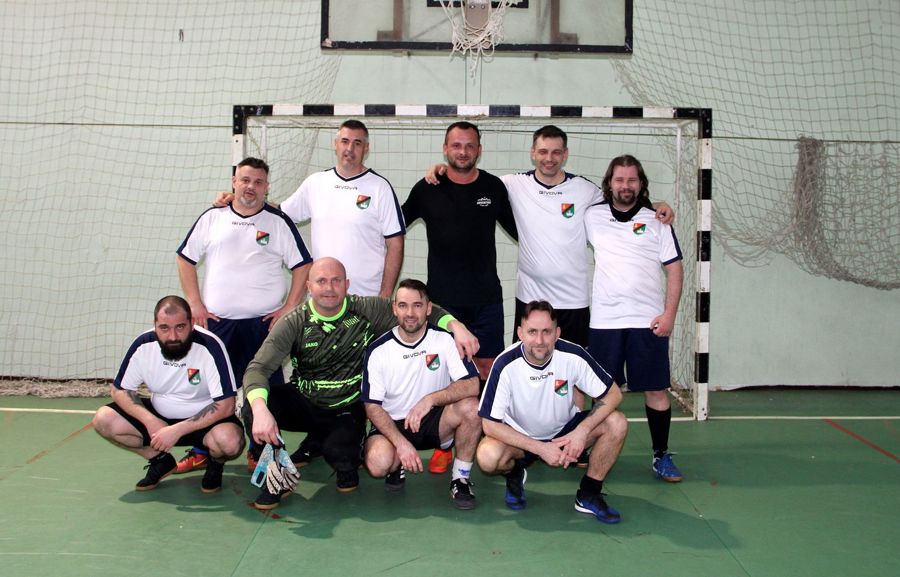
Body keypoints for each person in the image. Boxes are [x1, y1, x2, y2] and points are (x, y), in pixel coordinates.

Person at [241, 257, 479, 510]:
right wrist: (260, 409)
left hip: (345, 408)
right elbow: (257, 369)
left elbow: (418, 308)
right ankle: (278, 477)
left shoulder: (366, 310)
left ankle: (324, 442)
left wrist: (456, 326)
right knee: (254, 406)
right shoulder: (294, 322)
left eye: (336, 281)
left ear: (347, 285)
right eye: (321, 281)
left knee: (346, 463)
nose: (329, 288)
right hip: (305, 401)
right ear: (309, 287)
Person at [425, 125, 673, 348]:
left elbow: (621, 203)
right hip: (530, 297)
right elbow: (471, 181)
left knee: (574, 367)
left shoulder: (585, 190)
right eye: (543, 151)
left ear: (565, 155)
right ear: (533, 153)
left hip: (573, 301)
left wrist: (655, 206)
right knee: (527, 366)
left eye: (556, 152)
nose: (549, 158)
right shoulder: (512, 184)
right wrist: (443, 169)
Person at [176, 157, 312, 474]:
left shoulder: (278, 222)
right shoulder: (212, 217)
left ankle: (260, 450)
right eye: (245, 180)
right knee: (213, 390)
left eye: (258, 182)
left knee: (264, 391)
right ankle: (202, 448)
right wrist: (194, 303)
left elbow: (303, 265)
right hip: (217, 324)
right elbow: (185, 259)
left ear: (266, 187)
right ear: (234, 182)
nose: (251, 187)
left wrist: (289, 307)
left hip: (264, 326)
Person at [402, 121, 517, 474]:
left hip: (486, 299)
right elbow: (393, 224)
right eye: (456, 145)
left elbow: (526, 228)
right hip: (442, 303)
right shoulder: (427, 188)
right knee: (445, 376)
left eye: (469, 145)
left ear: (479, 150)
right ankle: (445, 443)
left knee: (485, 371)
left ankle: (479, 436)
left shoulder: (493, 188)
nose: (462, 152)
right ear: (445, 148)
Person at [476, 301, 627, 524]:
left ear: (557, 333)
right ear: (520, 333)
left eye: (546, 332)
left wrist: (582, 431)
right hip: (521, 438)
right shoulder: (505, 364)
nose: (539, 340)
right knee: (487, 457)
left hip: (565, 433)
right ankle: (514, 473)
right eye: (532, 332)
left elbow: (613, 394)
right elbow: (489, 424)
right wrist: (541, 449)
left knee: (617, 422)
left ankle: (589, 493)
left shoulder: (573, 355)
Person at [585, 155, 685, 482]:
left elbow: (674, 269)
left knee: (656, 389)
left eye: (631, 180)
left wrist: (669, 315)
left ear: (641, 184)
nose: (625, 186)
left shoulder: (658, 221)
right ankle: (592, 446)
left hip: (647, 321)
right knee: (601, 391)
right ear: (609, 183)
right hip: (605, 322)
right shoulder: (592, 215)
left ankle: (661, 455)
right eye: (619, 180)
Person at [91, 296, 244, 493]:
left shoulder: (209, 346)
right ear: (155, 325)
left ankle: (215, 464)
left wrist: (177, 430)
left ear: (191, 323)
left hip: (204, 422)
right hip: (159, 419)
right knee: (104, 419)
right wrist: (150, 420)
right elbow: (120, 390)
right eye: (164, 328)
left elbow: (226, 405)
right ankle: (160, 460)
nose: (172, 336)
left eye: (180, 327)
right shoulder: (143, 345)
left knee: (230, 442)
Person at [362, 279, 482, 509]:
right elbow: (372, 406)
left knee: (472, 408)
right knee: (378, 463)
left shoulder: (445, 339)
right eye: (403, 305)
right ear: (394, 309)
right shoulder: (378, 350)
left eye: (417, 305)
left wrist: (430, 400)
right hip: (393, 425)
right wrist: (400, 443)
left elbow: (472, 385)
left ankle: (460, 478)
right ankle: (396, 464)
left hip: (434, 421)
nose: (410, 313)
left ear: (428, 309)